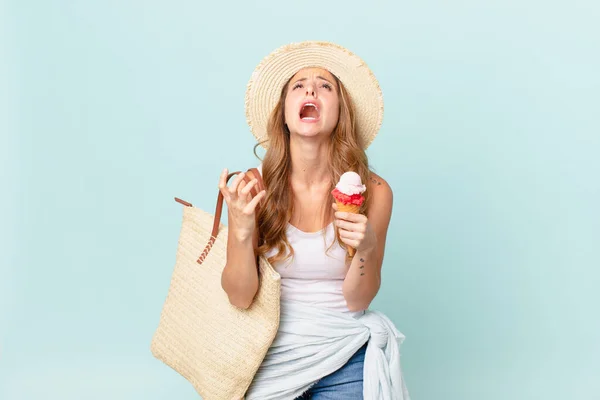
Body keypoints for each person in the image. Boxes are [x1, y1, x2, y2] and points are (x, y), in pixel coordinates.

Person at [218, 41, 409, 400]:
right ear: (284, 113)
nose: (310, 89)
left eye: (325, 85)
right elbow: (240, 296)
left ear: (341, 111)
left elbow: (357, 299)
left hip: (344, 352)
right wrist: (242, 232)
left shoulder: (374, 191)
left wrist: (365, 249)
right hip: (266, 355)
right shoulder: (253, 186)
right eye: (298, 85)